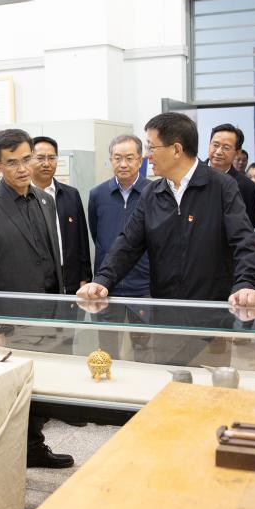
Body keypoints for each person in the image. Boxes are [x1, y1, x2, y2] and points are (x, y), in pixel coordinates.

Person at [0, 129, 74, 469]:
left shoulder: (46, 200)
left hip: (52, 313)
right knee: (18, 389)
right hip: (16, 320)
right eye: (12, 162)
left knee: (45, 387)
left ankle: (33, 446)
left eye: (27, 159)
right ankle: (21, 450)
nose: (23, 168)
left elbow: (53, 256)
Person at [78, 112, 255, 305]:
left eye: (151, 147)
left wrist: (247, 283)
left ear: (176, 149)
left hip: (212, 307)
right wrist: (102, 280)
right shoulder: (152, 193)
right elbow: (128, 244)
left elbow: (243, 240)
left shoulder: (221, 186)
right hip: (164, 306)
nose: (147, 155)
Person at [88, 134, 151, 355]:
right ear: (110, 160)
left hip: (143, 287)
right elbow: (96, 234)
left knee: (144, 349)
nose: (123, 164)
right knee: (107, 350)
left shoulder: (154, 192)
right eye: (117, 158)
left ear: (140, 160)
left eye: (129, 158)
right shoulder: (98, 194)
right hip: (106, 288)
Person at [29, 136, 92, 294]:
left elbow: (82, 240)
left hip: (69, 279)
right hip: (37, 281)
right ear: (29, 160)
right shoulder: (23, 197)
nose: (46, 163)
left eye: (51, 158)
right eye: (40, 158)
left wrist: (85, 277)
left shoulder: (70, 195)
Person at [206, 123, 255, 225]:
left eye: (226, 148)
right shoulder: (192, 176)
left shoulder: (247, 187)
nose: (218, 152)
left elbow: (248, 225)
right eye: (215, 145)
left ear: (238, 152)